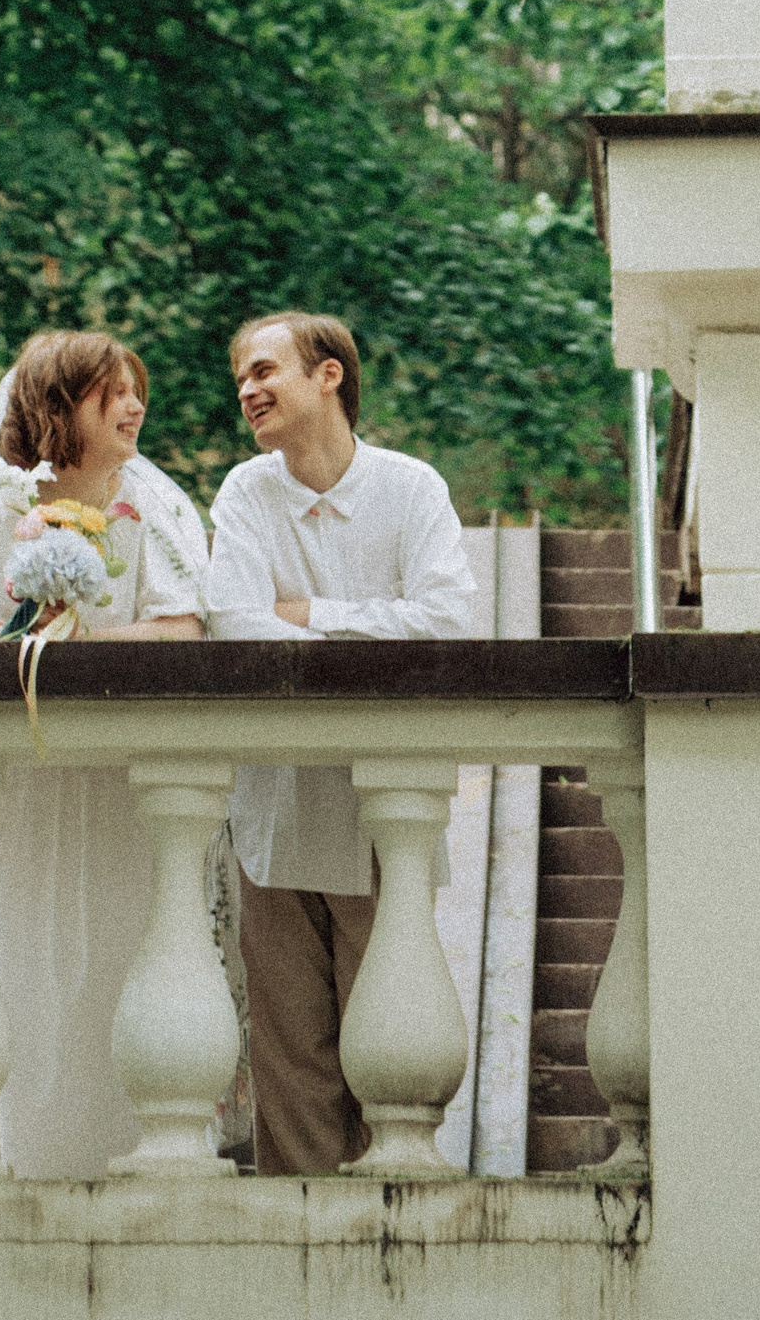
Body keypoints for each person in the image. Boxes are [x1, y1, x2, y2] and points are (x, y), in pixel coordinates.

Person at [0, 328, 208, 1175]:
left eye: (138, 390)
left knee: (115, 967)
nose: (136, 406)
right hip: (3, 796)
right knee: (1, 961)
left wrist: (76, 647)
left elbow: (182, 629)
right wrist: (10, 639)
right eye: (113, 394)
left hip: (118, 793)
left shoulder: (161, 509)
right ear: (58, 403)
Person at [204, 310, 478, 1175]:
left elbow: (443, 619)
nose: (247, 389)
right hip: (275, 815)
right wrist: (366, 634)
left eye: (264, 369)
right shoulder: (246, 492)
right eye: (242, 377)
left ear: (329, 376)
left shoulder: (411, 489)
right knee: (291, 1066)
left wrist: (308, 613)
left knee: (389, 1060)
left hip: (381, 815)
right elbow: (236, 626)